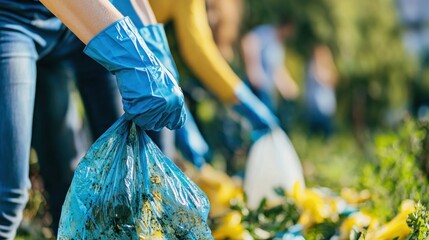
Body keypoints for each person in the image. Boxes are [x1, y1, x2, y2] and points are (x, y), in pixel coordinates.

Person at [0, 0, 186, 238]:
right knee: (8, 196)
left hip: (71, 23)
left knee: (122, 179)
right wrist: (131, 58)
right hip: (9, 17)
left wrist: (154, 49)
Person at [241, 18, 299, 113]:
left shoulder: (280, 46)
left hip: (266, 91)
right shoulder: (267, 33)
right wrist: (253, 68)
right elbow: (248, 42)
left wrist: (287, 87)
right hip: (254, 88)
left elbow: (276, 70)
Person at [304, 44, 338, 137]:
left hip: (327, 107)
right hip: (316, 107)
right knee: (315, 133)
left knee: (327, 133)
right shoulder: (313, 66)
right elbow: (320, 78)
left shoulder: (328, 68)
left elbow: (334, 80)